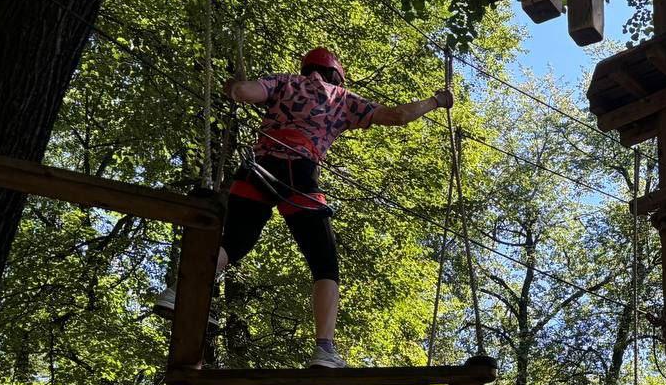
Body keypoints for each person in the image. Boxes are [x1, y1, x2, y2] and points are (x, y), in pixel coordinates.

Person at [155, 46, 454, 368]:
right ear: (336, 74)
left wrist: (235, 86)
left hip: (255, 170)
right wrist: (436, 101)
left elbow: (243, 92)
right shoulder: (341, 97)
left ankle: (178, 293)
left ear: (306, 68)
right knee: (324, 263)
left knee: (235, 242)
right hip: (298, 173)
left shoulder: (284, 83)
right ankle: (324, 349)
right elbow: (397, 116)